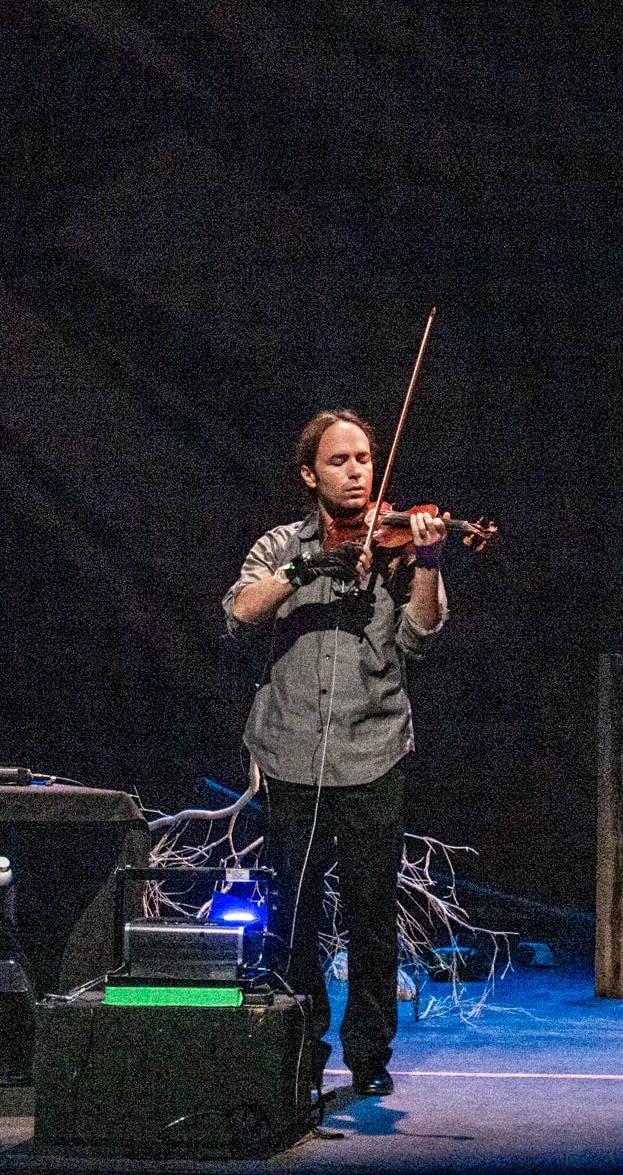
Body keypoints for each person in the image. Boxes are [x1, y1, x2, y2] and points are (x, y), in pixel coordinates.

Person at [222, 409, 448, 1099]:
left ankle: (370, 1050)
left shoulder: (397, 543)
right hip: (290, 751)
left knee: (371, 912)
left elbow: (421, 634)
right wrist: (306, 568)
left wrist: (431, 562)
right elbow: (237, 613)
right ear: (308, 473)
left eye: (364, 460)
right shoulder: (279, 544)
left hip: (373, 747)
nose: (356, 472)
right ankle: (300, 1043)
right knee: (293, 915)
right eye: (339, 461)